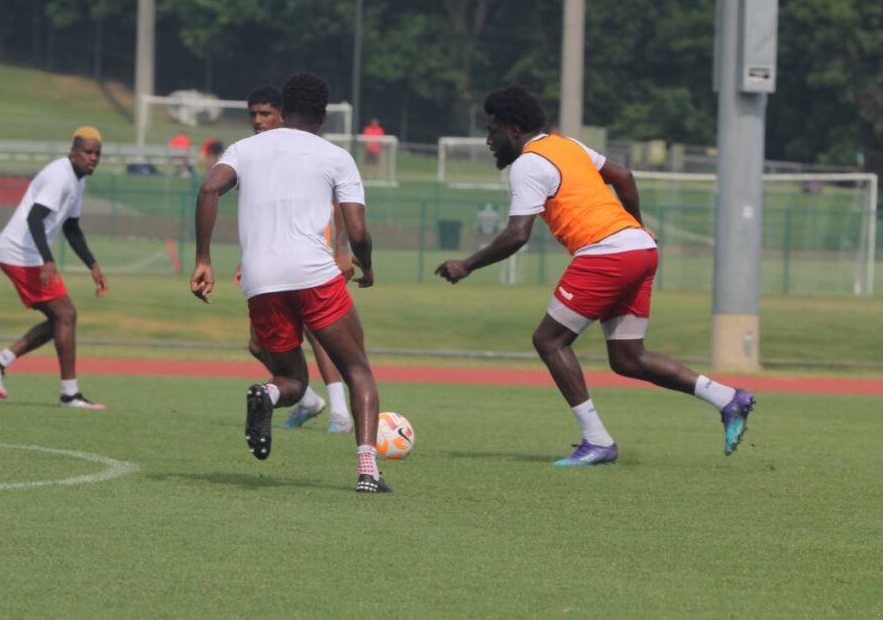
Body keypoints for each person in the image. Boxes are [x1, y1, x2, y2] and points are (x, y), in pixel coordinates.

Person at [436, 86, 755, 465]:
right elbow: (623, 176)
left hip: (607, 253)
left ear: (515, 130)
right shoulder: (567, 145)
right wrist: (636, 227)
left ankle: (597, 440)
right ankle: (727, 399)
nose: (488, 140)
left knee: (549, 341)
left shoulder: (527, 164)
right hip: (640, 250)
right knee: (628, 358)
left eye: (493, 131)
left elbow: (517, 234)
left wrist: (466, 264)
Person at [191, 72, 392, 493]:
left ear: (282, 110)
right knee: (357, 368)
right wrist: (366, 265)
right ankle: (368, 470)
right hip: (314, 276)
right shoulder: (336, 157)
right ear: (323, 116)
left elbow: (209, 189)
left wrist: (204, 259)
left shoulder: (243, 150)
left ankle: (267, 393)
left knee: (293, 381)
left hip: (261, 281)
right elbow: (357, 231)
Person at [239, 85, 355, 434]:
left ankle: (339, 412)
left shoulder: (308, 150)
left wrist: (342, 249)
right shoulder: (257, 152)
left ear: (283, 115)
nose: (258, 121)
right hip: (269, 259)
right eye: (253, 115)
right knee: (257, 343)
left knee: (319, 334)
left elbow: (338, 200)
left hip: (311, 255)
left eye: (265, 114)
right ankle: (306, 398)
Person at [0, 126, 108, 410]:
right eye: (87, 152)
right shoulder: (60, 175)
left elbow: (72, 228)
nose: (93, 157)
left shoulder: (78, 179)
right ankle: (69, 394)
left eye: (97, 153)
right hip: (20, 253)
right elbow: (35, 219)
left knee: (61, 319)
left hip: (28, 255)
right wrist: (48, 259)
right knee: (66, 314)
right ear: (73, 152)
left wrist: (93, 265)